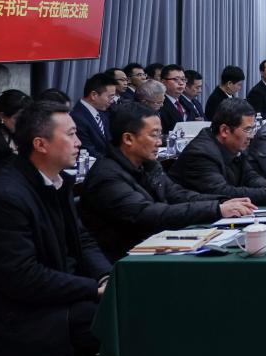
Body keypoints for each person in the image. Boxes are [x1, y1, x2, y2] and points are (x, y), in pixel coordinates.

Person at [0, 101, 111, 356]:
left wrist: (106, 277)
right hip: (16, 317)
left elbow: (82, 241)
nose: (78, 143)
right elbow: (23, 278)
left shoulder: (56, 182)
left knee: (129, 305)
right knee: (119, 317)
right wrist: (92, 289)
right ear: (40, 144)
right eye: (71, 134)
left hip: (54, 298)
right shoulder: (4, 197)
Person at [79, 103, 255, 259]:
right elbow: (148, 214)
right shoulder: (107, 177)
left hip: (154, 247)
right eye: (154, 135)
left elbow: (177, 194)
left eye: (160, 134)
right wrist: (216, 209)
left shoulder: (148, 164)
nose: (159, 142)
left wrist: (222, 203)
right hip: (123, 261)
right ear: (128, 139)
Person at [170, 98, 266, 206]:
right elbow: (223, 192)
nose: (251, 136)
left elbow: (250, 176)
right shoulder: (201, 154)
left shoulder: (234, 145)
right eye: (247, 130)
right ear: (225, 131)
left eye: (253, 129)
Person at [71, 72, 118, 157]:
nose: (112, 101)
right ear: (94, 95)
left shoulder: (102, 111)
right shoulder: (77, 118)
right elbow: (89, 152)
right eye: (110, 97)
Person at [157, 64, 194, 133]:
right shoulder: (158, 103)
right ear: (163, 82)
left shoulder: (188, 103)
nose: (181, 83)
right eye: (175, 79)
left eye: (183, 79)